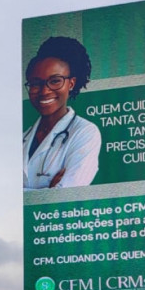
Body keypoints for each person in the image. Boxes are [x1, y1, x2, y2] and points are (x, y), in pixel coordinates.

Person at [23, 36, 101, 190]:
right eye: (36, 83)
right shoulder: (22, 138)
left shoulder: (85, 132)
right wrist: (49, 191)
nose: (44, 91)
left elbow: (66, 197)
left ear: (71, 84)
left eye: (55, 81)